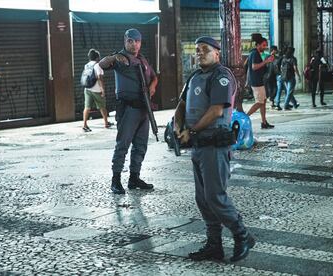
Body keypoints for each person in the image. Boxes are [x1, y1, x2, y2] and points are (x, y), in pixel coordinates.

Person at [174, 36, 255, 263]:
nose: (199, 53)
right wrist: (177, 126)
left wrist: (193, 131)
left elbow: (217, 110)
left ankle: (242, 235)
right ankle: (214, 245)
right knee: (203, 198)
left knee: (215, 196)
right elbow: (181, 105)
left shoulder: (222, 76)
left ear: (217, 53)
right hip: (198, 146)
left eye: (205, 50)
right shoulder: (195, 77)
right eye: (197, 49)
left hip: (214, 144)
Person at [99, 28, 158, 194]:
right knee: (123, 145)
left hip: (143, 108)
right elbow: (102, 64)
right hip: (128, 108)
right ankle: (116, 180)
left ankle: (134, 178)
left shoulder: (142, 58)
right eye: (130, 41)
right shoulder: (120, 58)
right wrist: (112, 57)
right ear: (125, 41)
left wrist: (152, 87)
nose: (134, 44)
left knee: (140, 146)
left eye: (137, 41)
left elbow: (154, 77)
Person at [246, 37, 274, 129]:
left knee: (263, 101)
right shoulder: (255, 53)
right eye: (263, 45)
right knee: (259, 102)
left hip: (258, 81)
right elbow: (254, 67)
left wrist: (267, 60)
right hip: (256, 81)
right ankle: (245, 117)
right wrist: (266, 61)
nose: (265, 47)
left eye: (266, 45)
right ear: (258, 45)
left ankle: (264, 122)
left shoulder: (255, 53)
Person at [82, 49, 113, 131]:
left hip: (87, 89)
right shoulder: (98, 65)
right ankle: (106, 123)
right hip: (97, 90)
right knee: (102, 107)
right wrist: (103, 90)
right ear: (97, 57)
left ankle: (85, 125)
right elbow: (99, 78)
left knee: (87, 107)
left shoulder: (87, 65)